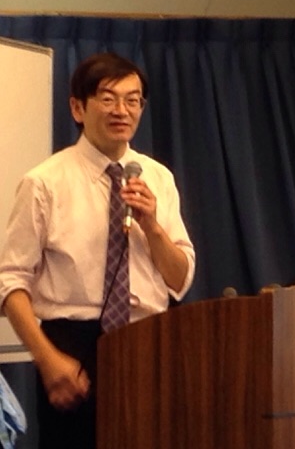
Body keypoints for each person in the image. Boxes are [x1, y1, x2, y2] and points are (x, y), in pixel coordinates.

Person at [0, 52, 196, 448]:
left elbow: (179, 279)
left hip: (151, 341)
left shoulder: (158, 178)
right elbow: (10, 282)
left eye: (133, 100)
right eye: (108, 99)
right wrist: (47, 359)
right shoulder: (44, 182)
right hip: (73, 347)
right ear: (78, 107)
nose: (122, 110)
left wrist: (151, 225)